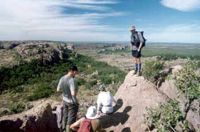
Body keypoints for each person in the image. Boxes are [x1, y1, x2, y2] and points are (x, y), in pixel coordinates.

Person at [57, 65, 79, 132]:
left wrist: (65, 93)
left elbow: (58, 89)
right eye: (76, 72)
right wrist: (75, 90)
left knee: (65, 116)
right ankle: (68, 130)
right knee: (71, 118)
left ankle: (63, 129)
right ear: (72, 71)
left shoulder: (62, 78)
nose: (76, 73)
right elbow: (73, 94)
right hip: (72, 102)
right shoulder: (72, 80)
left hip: (64, 100)